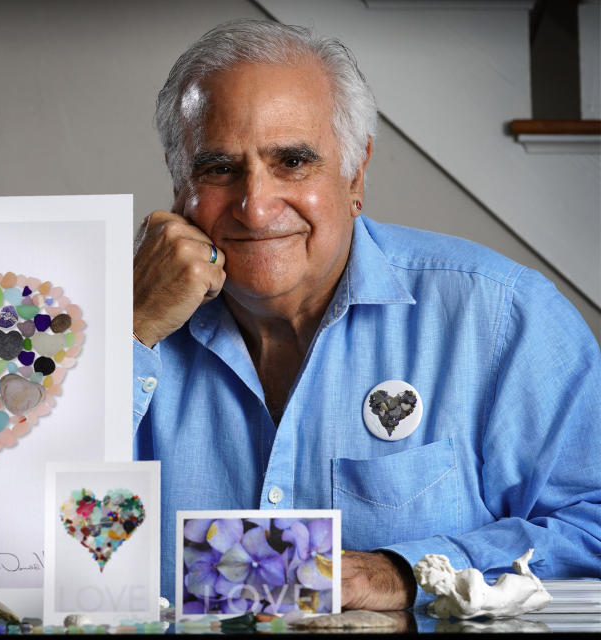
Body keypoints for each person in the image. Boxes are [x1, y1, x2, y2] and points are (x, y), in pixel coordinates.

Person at [132, 19, 601, 610]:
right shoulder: (111, 322)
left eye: (293, 163)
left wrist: (408, 573)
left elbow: (595, 527)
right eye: (219, 168)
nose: (255, 206)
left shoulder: (505, 319)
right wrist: (132, 329)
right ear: (180, 187)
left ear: (355, 176)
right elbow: (5, 524)